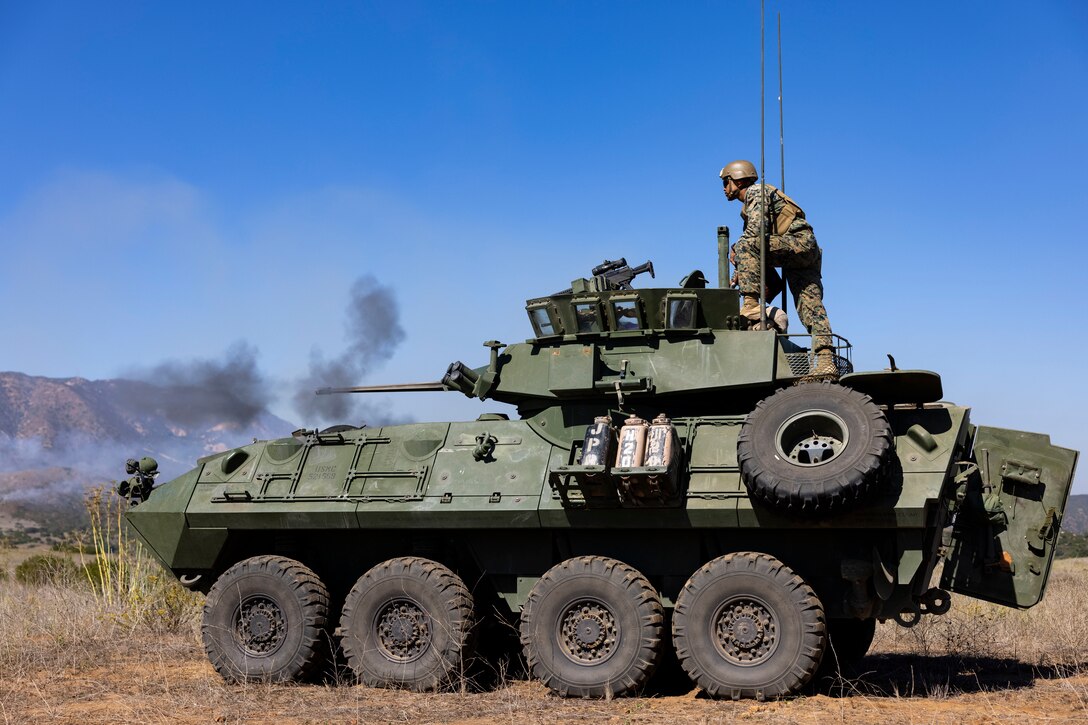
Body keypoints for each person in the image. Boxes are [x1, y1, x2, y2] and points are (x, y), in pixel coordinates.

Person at [720, 159, 835, 375]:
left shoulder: (756, 192)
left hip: (797, 242)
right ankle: (826, 358)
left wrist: (737, 252)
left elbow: (754, 234)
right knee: (810, 305)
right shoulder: (750, 205)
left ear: (737, 179)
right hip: (804, 251)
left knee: (744, 244)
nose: (724, 189)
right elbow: (754, 254)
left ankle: (752, 304)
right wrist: (738, 276)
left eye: (726, 183)